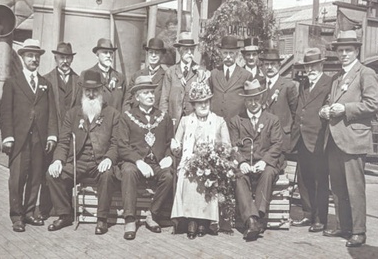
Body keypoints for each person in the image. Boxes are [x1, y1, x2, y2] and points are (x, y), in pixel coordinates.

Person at [319, 30, 378, 247]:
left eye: (348, 50)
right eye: (340, 50)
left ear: (356, 51)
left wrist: (345, 108)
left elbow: (373, 105)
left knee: (354, 187)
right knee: (338, 186)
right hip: (335, 139)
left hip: (353, 139)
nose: (344, 54)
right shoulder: (337, 77)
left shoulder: (366, 73)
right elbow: (330, 102)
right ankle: (344, 226)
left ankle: (359, 231)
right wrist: (325, 110)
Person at [47, 70, 120, 235]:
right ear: (83, 91)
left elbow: (116, 143)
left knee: (108, 174)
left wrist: (109, 158)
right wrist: (58, 160)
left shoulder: (112, 114)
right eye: (88, 90)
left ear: (101, 91)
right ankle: (64, 214)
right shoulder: (73, 114)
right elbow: (64, 141)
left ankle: (102, 219)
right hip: (77, 162)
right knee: (52, 174)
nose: (92, 94)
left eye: (95, 90)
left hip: (99, 162)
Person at [0, 39, 58, 232]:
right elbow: (5, 112)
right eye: (30, 55)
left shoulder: (45, 84)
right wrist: (7, 136)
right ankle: (16, 216)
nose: (34, 59)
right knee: (17, 179)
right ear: (23, 57)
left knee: (35, 178)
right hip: (19, 140)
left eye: (36, 56)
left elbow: (51, 112)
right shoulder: (12, 83)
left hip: (39, 140)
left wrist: (51, 136)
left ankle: (30, 213)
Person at [171, 81, 231, 239]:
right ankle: (191, 220)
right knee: (187, 174)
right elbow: (176, 142)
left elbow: (227, 146)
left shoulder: (219, 121)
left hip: (212, 162)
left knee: (208, 175)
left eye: (206, 101)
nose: (204, 105)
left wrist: (216, 156)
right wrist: (176, 147)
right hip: (190, 160)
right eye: (199, 103)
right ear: (194, 105)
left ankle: (204, 221)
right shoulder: (185, 121)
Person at [118, 76, 174, 240]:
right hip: (135, 162)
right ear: (137, 97)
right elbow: (122, 146)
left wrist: (169, 156)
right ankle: (129, 219)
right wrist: (138, 161)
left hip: (156, 162)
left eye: (152, 92)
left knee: (169, 176)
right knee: (128, 171)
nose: (151, 96)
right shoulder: (127, 117)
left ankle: (152, 214)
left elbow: (171, 143)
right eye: (146, 93)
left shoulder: (164, 117)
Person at [228, 79, 283, 241]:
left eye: (256, 99)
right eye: (249, 100)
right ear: (245, 101)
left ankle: (255, 217)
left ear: (262, 99)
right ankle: (253, 221)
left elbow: (277, 144)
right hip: (245, 163)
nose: (253, 103)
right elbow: (232, 145)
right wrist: (242, 162)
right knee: (238, 176)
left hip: (265, 163)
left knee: (268, 173)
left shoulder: (272, 120)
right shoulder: (236, 120)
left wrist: (264, 161)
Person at [289, 48, 332, 232]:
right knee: (303, 179)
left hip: (318, 138)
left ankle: (320, 219)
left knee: (319, 180)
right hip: (302, 138)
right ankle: (307, 214)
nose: (311, 69)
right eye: (308, 66)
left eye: (314, 65)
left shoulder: (329, 83)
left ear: (321, 65)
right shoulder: (304, 84)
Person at [40, 41, 80, 220]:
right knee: (47, 170)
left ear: (72, 59)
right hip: (52, 134)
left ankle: (65, 209)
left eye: (68, 57)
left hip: (71, 135)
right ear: (56, 58)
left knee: (66, 171)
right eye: (61, 57)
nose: (65, 61)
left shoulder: (78, 81)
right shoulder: (46, 79)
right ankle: (44, 208)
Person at [160, 31, 210, 130]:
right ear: (179, 50)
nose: (189, 53)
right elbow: (164, 99)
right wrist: (163, 120)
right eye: (186, 49)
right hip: (174, 120)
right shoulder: (171, 72)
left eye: (191, 49)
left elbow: (206, 98)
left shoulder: (201, 71)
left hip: (194, 120)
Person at [259, 48, 298, 153]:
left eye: (273, 64)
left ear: (279, 65)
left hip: (281, 137)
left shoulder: (288, 85)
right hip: (262, 137)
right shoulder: (259, 85)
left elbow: (295, 113)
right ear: (262, 66)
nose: (269, 67)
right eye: (266, 64)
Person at [210, 35, 252, 121]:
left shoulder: (246, 75)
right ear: (221, 53)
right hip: (216, 123)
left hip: (237, 124)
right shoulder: (214, 74)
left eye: (231, 53)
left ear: (236, 54)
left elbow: (250, 101)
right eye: (225, 53)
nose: (228, 57)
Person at [81, 38, 126, 111]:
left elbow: (124, 103)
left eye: (111, 53)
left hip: (117, 121)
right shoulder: (87, 75)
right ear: (97, 55)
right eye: (105, 52)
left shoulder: (120, 77)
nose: (109, 56)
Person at [123, 37, 166, 111]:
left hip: (155, 118)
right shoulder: (137, 75)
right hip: (136, 117)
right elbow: (127, 101)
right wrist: (129, 118)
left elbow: (165, 102)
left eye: (157, 53)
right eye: (151, 52)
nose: (153, 55)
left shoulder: (166, 76)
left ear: (161, 55)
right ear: (147, 54)